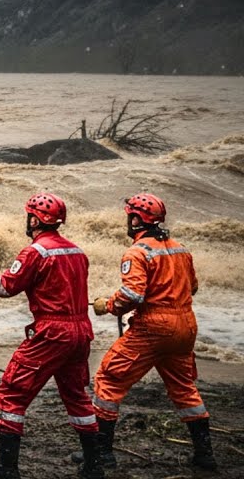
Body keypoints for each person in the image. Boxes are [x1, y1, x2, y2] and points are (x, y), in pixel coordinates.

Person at [0, 193, 103, 479]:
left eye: (29, 215)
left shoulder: (35, 252)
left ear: (35, 219)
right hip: (81, 332)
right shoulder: (77, 251)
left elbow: (4, 286)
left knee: (11, 394)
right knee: (77, 396)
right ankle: (94, 465)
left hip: (52, 333)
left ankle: (7, 468)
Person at [85, 193, 217, 473]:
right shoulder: (180, 249)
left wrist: (107, 305)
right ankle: (205, 455)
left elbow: (131, 295)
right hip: (186, 325)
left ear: (136, 220)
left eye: (130, 216)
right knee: (184, 389)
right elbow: (192, 287)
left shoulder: (137, 252)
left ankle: (102, 454)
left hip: (154, 327)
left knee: (108, 379)